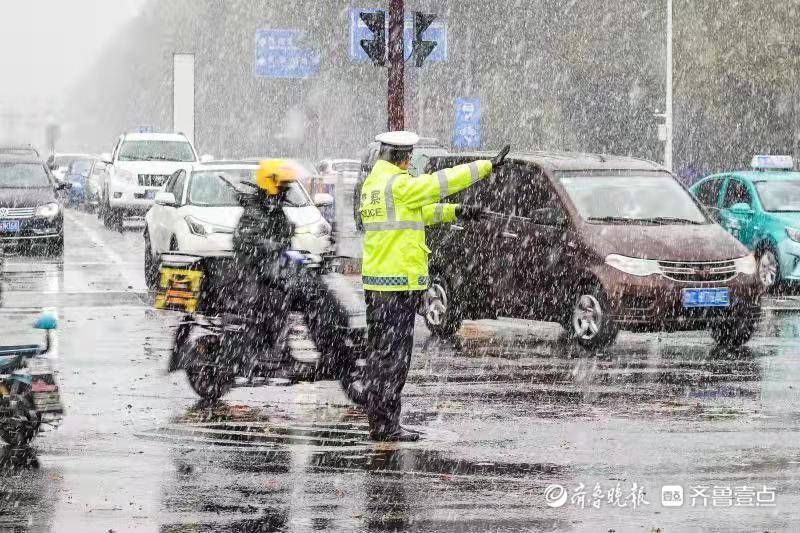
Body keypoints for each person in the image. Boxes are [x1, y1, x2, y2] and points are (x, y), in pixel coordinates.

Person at [360, 131, 510, 441]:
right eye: (409, 157)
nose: (410, 163)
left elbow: (419, 212)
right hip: (395, 286)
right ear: (403, 158)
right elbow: (440, 183)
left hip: (379, 285)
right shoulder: (398, 184)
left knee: (381, 356)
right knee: (394, 360)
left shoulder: (376, 184)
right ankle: (386, 426)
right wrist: (485, 166)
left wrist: (456, 211)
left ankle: (381, 422)